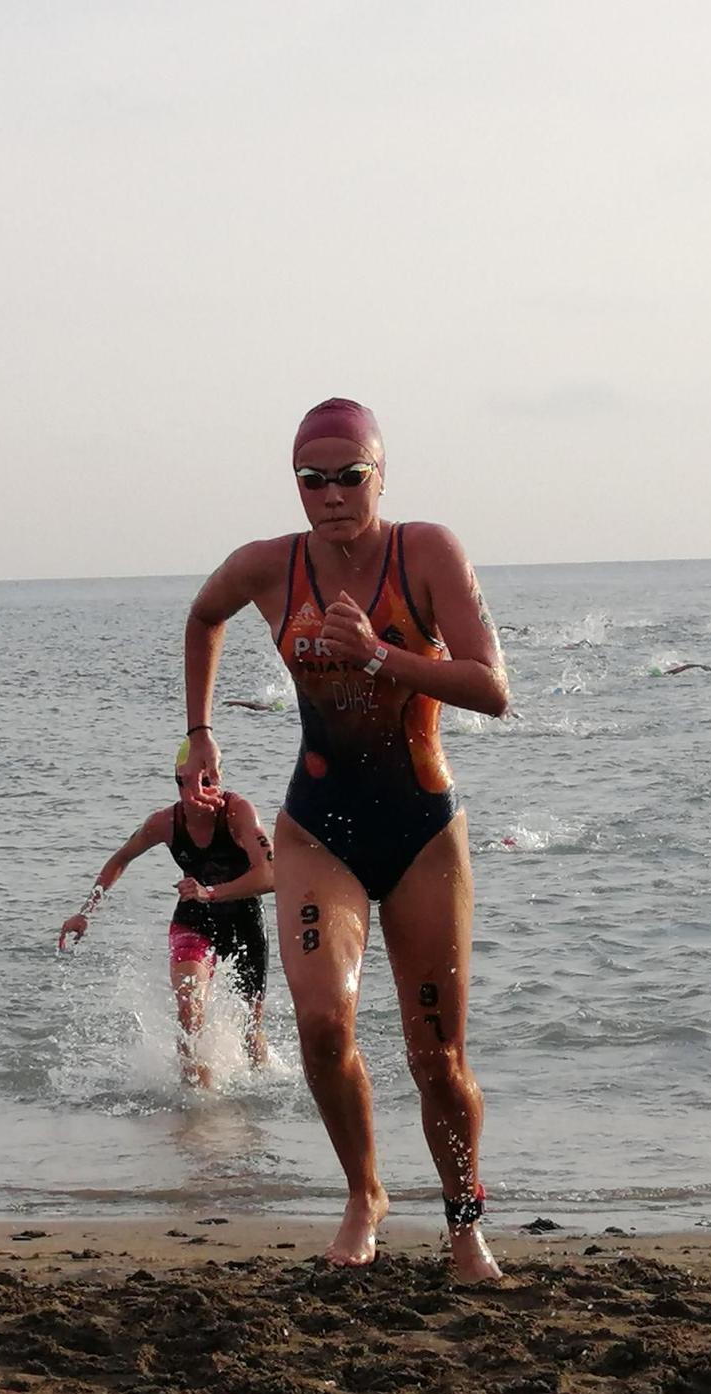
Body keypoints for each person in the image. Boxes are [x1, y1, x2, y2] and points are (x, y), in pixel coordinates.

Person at [181, 397, 509, 1275]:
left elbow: (492, 687)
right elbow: (202, 614)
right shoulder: (267, 567)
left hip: (422, 830)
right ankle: (364, 1194)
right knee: (324, 1024)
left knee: (436, 1055)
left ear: (380, 474)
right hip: (317, 825)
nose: (330, 494)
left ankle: (465, 1221)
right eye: (311, 479)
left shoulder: (426, 552)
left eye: (349, 476)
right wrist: (202, 730)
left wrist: (380, 657)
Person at [58, 742, 275, 1086]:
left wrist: (211, 892)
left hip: (243, 921)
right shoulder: (165, 823)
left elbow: (270, 875)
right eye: (185, 782)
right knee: (190, 1015)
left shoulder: (238, 813)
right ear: (177, 780)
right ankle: (195, 1113)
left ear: (217, 781)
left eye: (206, 782)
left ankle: (260, 1099)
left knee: (251, 1031)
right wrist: (85, 912)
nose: (196, 792)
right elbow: (121, 858)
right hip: (194, 921)